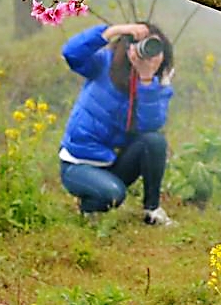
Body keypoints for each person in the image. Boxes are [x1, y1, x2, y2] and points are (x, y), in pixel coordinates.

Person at [57, 22, 177, 225]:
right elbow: (71, 53)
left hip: (113, 160)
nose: (145, 53)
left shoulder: (154, 83)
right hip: (79, 164)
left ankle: (152, 210)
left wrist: (146, 79)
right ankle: (89, 206)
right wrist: (114, 31)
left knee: (155, 141)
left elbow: (151, 125)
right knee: (113, 194)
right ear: (128, 46)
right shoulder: (104, 64)